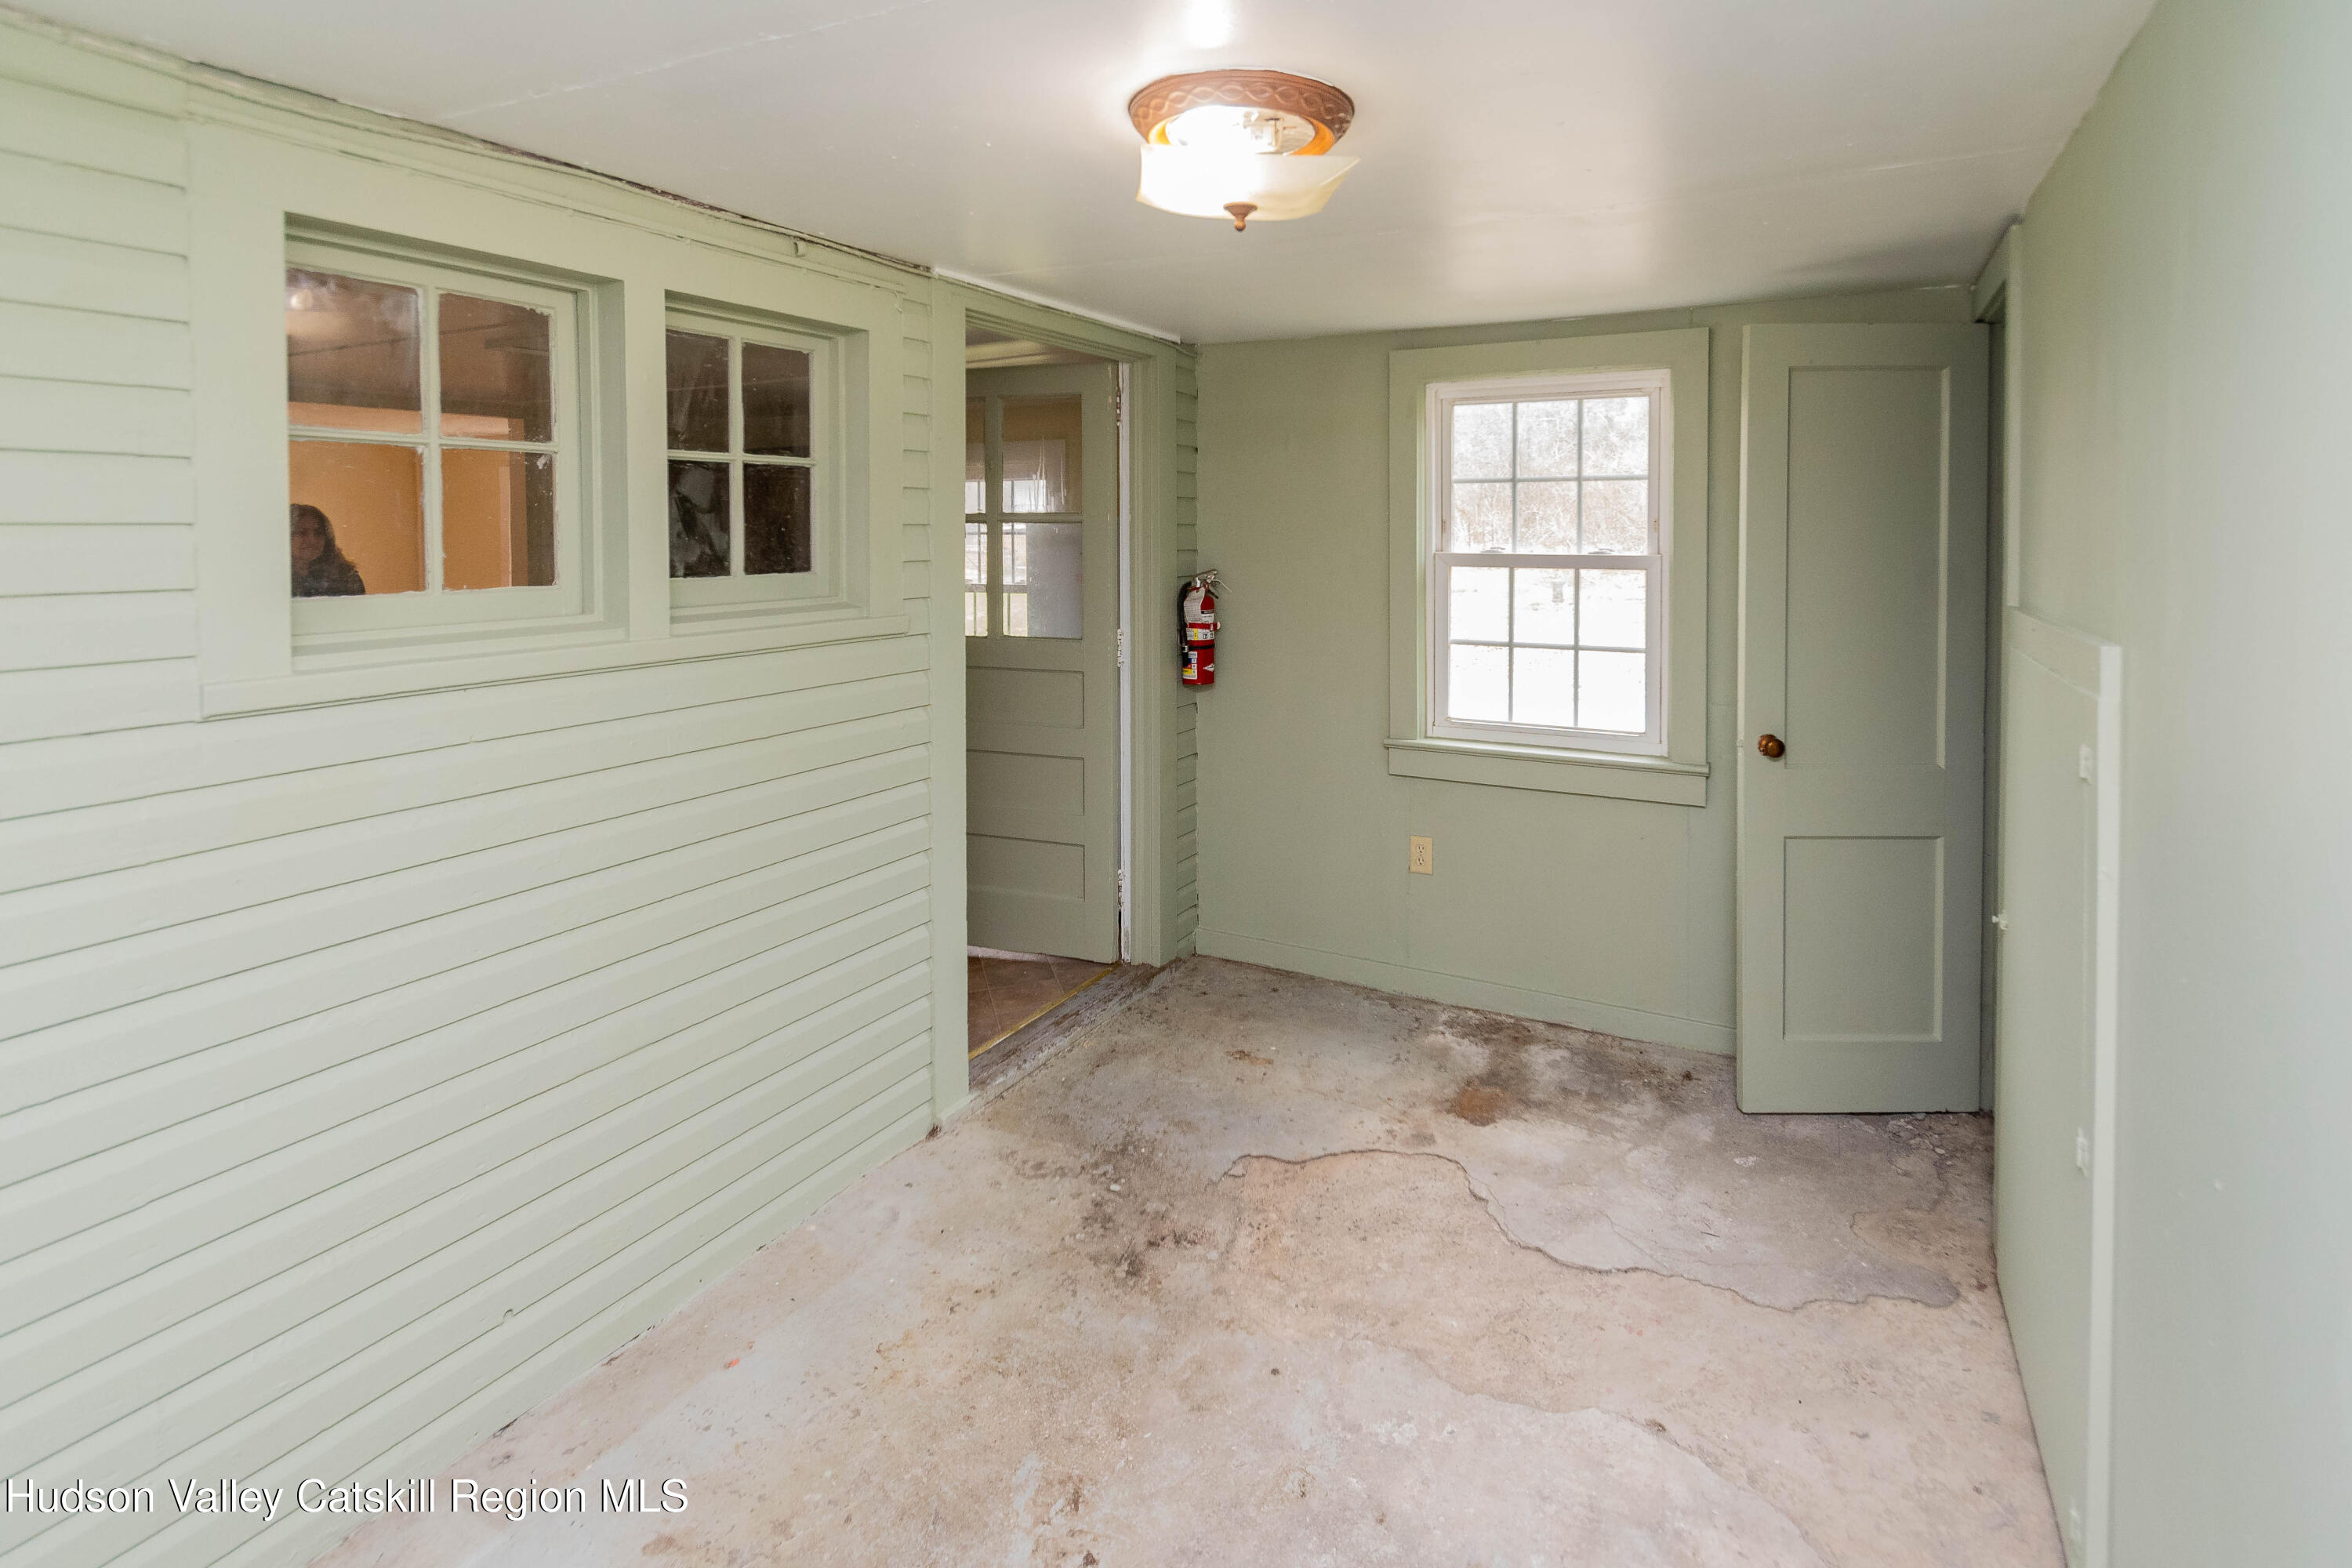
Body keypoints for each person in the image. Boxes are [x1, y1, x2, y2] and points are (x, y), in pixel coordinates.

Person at [290, 503, 366, 597]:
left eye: (318, 533)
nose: (312, 540)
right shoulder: (272, 577)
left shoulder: (347, 578)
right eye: (302, 533)